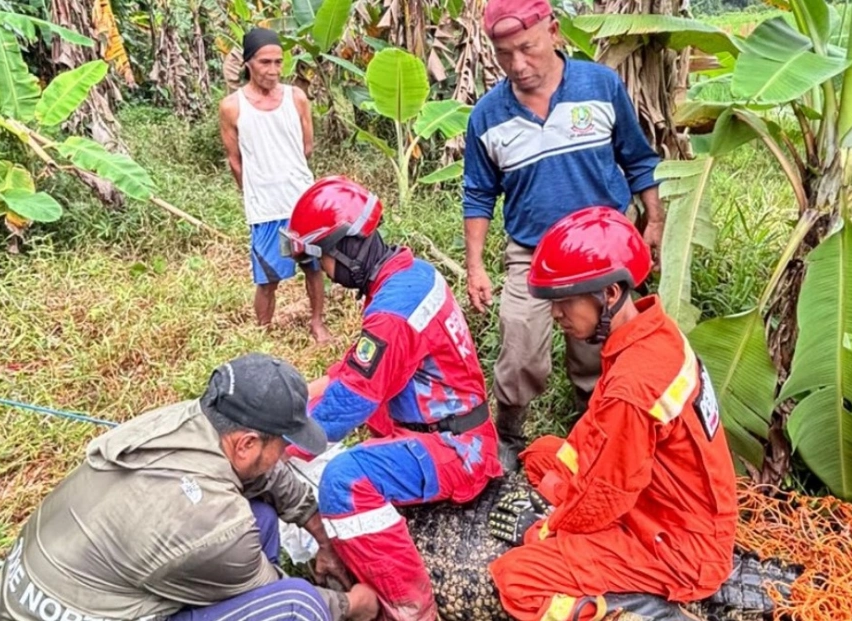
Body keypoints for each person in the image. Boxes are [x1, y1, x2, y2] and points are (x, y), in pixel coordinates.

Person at [0, 353, 379, 621]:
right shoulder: (217, 527)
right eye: (282, 444)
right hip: (68, 607)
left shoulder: (195, 418)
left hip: (60, 580)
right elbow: (281, 596)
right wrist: (351, 605)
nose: (284, 455)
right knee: (300, 606)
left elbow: (266, 474)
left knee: (261, 518)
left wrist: (322, 538)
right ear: (246, 443)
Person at [484, 208, 737, 621]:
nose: (555, 314)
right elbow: (596, 434)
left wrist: (542, 529)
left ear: (611, 294)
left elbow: (605, 496)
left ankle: (651, 614)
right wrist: (559, 484)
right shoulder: (653, 333)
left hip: (676, 545)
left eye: (565, 302)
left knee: (517, 580)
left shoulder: (632, 387)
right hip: (668, 502)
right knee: (544, 452)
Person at [280, 176, 504, 621]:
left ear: (346, 248)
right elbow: (354, 373)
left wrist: (279, 445)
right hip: (450, 426)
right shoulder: (410, 275)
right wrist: (296, 399)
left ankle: (411, 609)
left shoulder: (392, 314)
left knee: (342, 479)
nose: (323, 270)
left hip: (457, 450)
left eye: (323, 258)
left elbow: (350, 402)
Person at [463, 0, 665, 471]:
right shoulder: (488, 117)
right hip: (531, 253)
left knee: (600, 345)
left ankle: (595, 429)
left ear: (553, 31)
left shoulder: (599, 86)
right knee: (520, 344)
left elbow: (637, 159)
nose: (518, 65)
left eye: (527, 48)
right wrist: (474, 265)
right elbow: (478, 194)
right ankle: (509, 433)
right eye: (504, 54)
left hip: (601, 251)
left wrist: (653, 220)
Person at [220, 28, 331, 343]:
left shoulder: (296, 98)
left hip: (302, 203)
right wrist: (255, 190)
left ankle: (317, 324)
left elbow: (307, 147)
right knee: (267, 279)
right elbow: (235, 160)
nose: (272, 70)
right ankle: (263, 335)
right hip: (265, 208)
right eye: (264, 62)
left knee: (313, 267)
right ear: (248, 63)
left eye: (278, 62)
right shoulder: (232, 106)